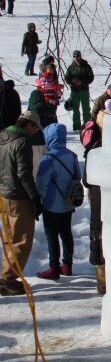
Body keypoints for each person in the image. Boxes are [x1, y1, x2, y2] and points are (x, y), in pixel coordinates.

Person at [0, 111, 42, 296]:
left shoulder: (3, 136)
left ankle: (5, 275)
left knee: (9, 238)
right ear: (29, 125)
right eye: (35, 128)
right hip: (18, 196)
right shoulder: (23, 141)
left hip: (4, 194)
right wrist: (34, 198)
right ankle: (8, 279)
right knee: (22, 240)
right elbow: (24, 174)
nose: (35, 132)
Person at [34, 123, 79, 280]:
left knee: (52, 236)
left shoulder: (48, 158)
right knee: (66, 233)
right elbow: (77, 177)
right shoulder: (72, 155)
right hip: (68, 202)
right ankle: (67, 264)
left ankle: (54, 267)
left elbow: (41, 183)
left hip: (51, 204)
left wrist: (37, 199)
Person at [64, 50, 95, 132]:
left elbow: (91, 77)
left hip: (84, 90)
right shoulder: (71, 67)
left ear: (80, 56)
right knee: (75, 110)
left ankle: (87, 126)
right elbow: (66, 78)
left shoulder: (86, 66)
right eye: (74, 56)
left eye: (77, 56)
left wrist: (82, 82)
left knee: (86, 109)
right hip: (74, 91)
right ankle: (76, 127)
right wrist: (72, 81)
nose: (76, 58)